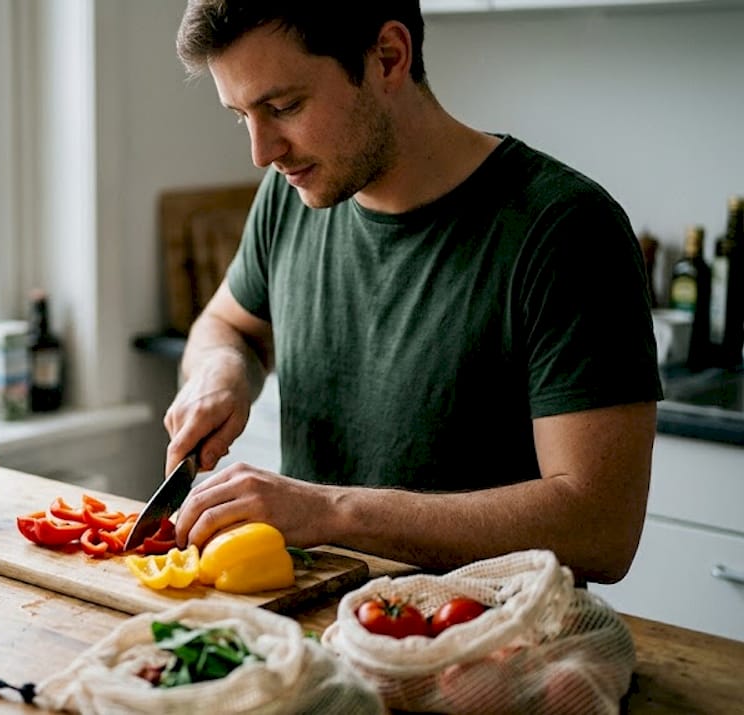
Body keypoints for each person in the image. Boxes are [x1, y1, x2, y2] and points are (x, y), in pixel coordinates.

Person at [163, 1, 662, 584]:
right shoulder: (290, 196)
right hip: (310, 625)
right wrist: (220, 370)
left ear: (388, 57)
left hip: (492, 635)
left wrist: (332, 512)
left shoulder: (566, 229)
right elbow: (228, 326)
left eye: (284, 107)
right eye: (241, 116)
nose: (261, 152)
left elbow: (601, 528)